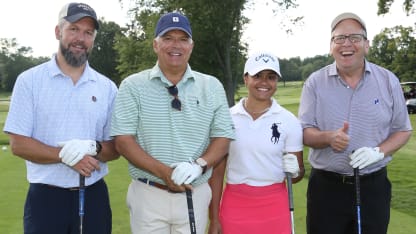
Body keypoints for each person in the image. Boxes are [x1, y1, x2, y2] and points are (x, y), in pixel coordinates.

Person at [110, 11, 235, 234]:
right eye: (168, 38)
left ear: (191, 46)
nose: (175, 45)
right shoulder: (132, 86)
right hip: (148, 194)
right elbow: (123, 141)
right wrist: (164, 172)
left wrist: (199, 165)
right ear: (155, 45)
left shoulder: (211, 86)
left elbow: (223, 137)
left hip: (194, 193)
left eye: (182, 39)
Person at [3, 2, 119, 234]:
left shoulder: (107, 87)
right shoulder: (30, 81)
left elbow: (115, 148)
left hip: (94, 195)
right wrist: (67, 157)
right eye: (74, 29)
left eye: (88, 33)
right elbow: (19, 144)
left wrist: (92, 147)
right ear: (58, 31)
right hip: (45, 198)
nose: (81, 38)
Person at [298, 12, 412, 234]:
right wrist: (328, 138)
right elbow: (304, 131)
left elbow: (403, 130)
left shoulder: (388, 80)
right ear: (331, 46)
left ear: (367, 45)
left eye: (355, 37)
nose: (346, 44)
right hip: (326, 189)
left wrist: (379, 152)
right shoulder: (314, 83)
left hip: (373, 187)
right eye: (339, 38)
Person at [208, 51, 305, 234]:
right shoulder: (227, 118)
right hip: (235, 203)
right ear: (246, 79)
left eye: (271, 77)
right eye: (257, 76)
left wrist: (295, 171)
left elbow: (298, 173)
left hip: (275, 205)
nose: (264, 82)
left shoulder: (289, 121)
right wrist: (214, 219)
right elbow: (217, 173)